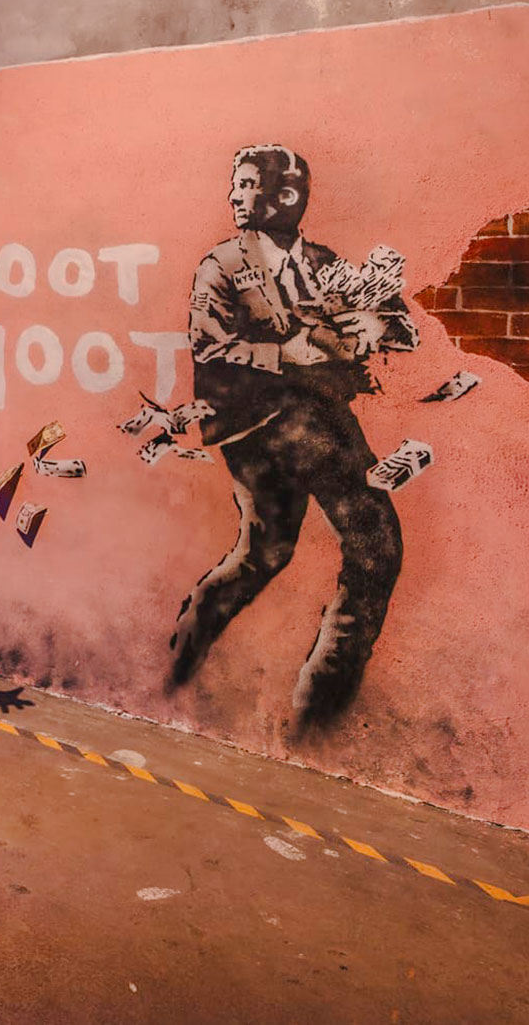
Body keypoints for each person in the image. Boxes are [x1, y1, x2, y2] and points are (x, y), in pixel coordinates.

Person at [164, 145, 417, 732]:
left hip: (323, 422)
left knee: (363, 550)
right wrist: (288, 354)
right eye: (236, 184)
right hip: (258, 426)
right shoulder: (221, 265)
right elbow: (208, 346)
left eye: (247, 184)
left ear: (285, 196)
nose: (233, 195)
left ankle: (317, 712)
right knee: (269, 554)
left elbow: (397, 328)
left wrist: (375, 328)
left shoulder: (329, 264)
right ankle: (183, 663)